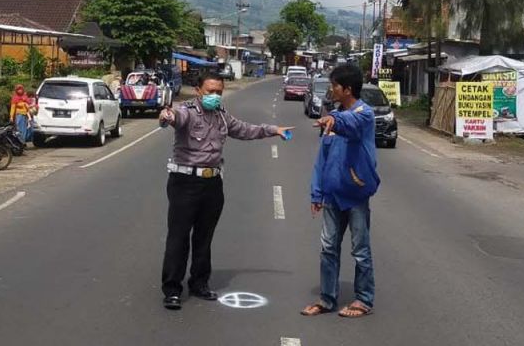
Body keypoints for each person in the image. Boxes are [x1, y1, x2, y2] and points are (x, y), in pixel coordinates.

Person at [157, 72, 293, 311]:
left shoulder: (221, 116)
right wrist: (167, 116)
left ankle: (199, 283)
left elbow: (245, 129)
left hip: (212, 183)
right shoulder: (187, 110)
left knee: (204, 237)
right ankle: (172, 289)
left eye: (218, 92)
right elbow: (175, 117)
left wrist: (274, 129)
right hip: (185, 182)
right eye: (210, 91)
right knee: (179, 236)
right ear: (198, 91)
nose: (215, 96)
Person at [301, 62, 380, 319]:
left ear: (347, 89)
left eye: (335, 85)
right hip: (332, 196)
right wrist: (316, 193)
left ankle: (363, 300)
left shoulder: (364, 114)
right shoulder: (332, 118)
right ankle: (327, 299)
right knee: (328, 248)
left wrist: (334, 119)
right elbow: (322, 159)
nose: (331, 89)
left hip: (355, 197)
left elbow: (350, 123)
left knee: (360, 250)